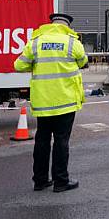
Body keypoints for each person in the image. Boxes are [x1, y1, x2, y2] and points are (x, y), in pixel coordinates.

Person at [14, 12, 87, 193]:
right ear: (67, 25)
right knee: (61, 141)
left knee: (42, 140)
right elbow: (83, 61)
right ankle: (61, 181)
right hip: (66, 101)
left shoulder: (36, 42)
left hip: (43, 102)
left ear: (51, 24)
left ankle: (40, 180)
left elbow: (19, 65)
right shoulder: (72, 42)